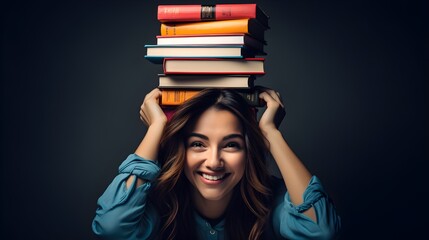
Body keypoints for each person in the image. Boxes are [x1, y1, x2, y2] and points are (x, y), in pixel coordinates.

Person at [92, 88, 341, 240]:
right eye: (198, 144)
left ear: (248, 150)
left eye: (231, 145)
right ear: (181, 149)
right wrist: (157, 128)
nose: (214, 162)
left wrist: (271, 133)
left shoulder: (270, 200)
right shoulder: (159, 203)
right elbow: (111, 227)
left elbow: (320, 231)